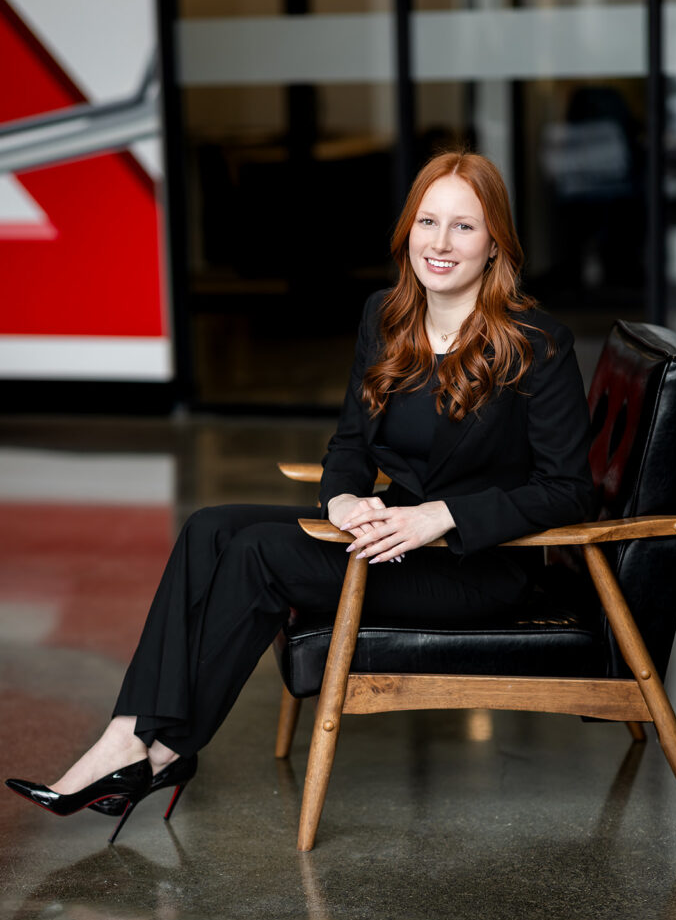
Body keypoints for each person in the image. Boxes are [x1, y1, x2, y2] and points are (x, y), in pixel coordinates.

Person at [5, 151, 594, 842]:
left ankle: (163, 750)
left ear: (495, 241)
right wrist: (343, 502)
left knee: (256, 552)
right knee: (209, 527)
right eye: (426, 222)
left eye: (463, 227)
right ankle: (128, 735)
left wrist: (441, 516)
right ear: (406, 231)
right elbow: (349, 444)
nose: (439, 243)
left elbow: (567, 491)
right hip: (385, 540)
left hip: (476, 569)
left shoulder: (536, 344)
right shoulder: (386, 316)